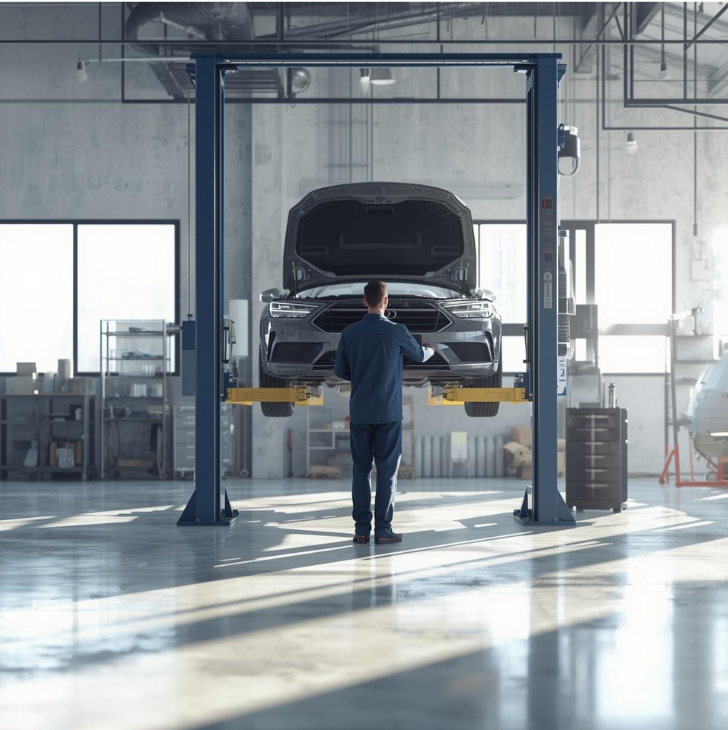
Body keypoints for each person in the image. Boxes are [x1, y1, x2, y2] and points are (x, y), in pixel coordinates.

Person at [334, 281, 434, 544]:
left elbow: (339, 371)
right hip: (389, 413)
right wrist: (431, 350)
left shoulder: (350, 333)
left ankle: (361, 530)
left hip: (360, 413)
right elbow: (419, 356)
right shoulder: (397, 331)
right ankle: (383, 531)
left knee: (361, 471)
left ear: (364, 301)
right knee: (387, 472)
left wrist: (360, 374)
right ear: (386, 301)